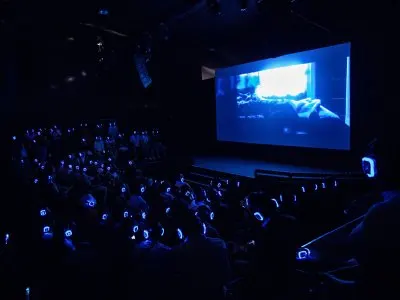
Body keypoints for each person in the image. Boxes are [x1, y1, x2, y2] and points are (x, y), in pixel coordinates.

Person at [171, 213, 231, 299]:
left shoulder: (177, 251)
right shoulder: (219, 243)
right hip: (216, 293)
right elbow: (227, 273)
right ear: (202, 227)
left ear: (182, 231)